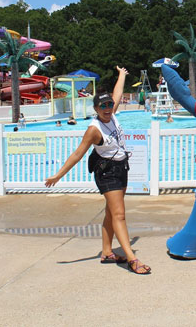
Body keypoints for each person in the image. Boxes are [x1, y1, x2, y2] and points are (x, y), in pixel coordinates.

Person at [45, 66, 151, 275]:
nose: (107, 108)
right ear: (95, 108)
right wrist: (58, 175)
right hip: (107, 172)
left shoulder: (112, 115)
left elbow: (117, 93)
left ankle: (107, 252)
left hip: (121, 168)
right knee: (119, 215)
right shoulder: (94, 130)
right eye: (102, 106)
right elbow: (77, 154)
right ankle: (132, 259)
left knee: (112, 212)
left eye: (109, 104)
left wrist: (121, 74)